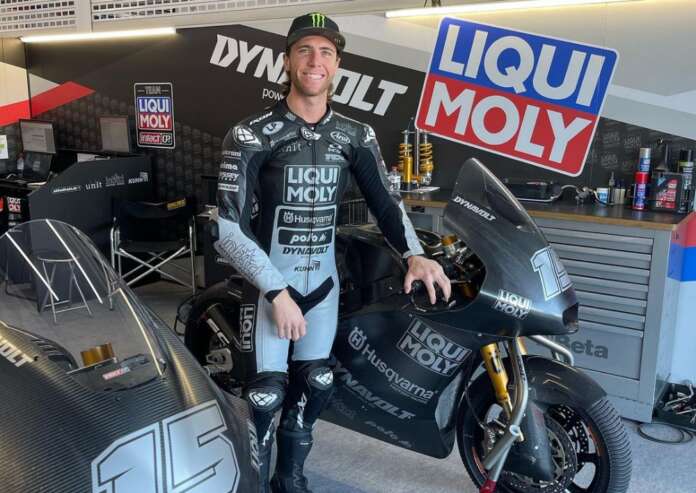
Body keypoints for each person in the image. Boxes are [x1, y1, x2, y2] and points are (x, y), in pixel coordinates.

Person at [215, 12, 451, 493]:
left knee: (317, 382)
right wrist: (276, 292)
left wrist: (415, 253)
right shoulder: (251, 133)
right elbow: (226, 227)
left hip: (323, 287)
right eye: (304, 50)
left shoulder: (356, 135)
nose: (315, 60)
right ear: (287, 61)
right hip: (270, 288)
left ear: (337, 64)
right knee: (264, 396)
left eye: (326, 52)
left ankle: (290, 479)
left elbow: (387, 204)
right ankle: (252, 481)